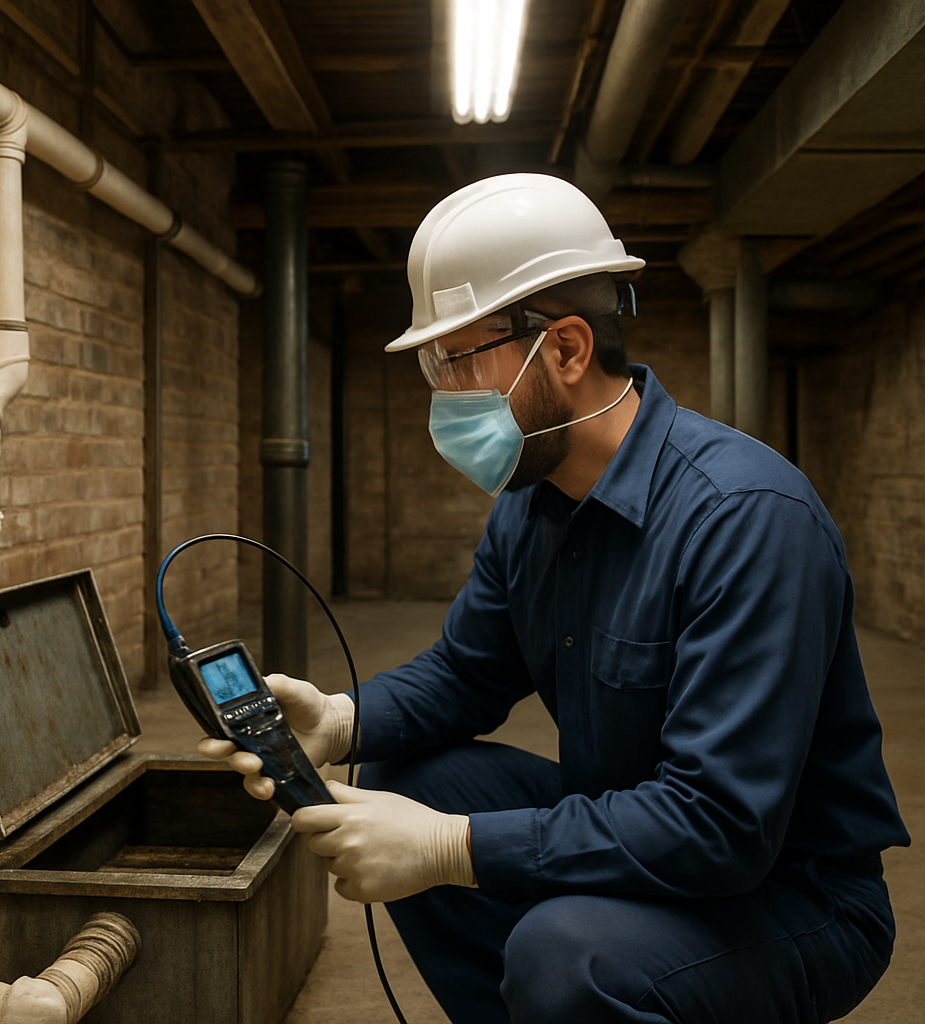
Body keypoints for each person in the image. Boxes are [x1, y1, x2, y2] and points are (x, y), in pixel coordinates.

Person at [201, 174, 910, 1024]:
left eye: (454, 360)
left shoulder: (746, 518)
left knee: (567, 952)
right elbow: (468, 673)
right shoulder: (532, 507)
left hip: (790, 891)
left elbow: (721, 827)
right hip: (638, 827)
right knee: (412, 772)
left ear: (567, 349)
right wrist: (340, 721)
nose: (441, 393)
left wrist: (449, 848)